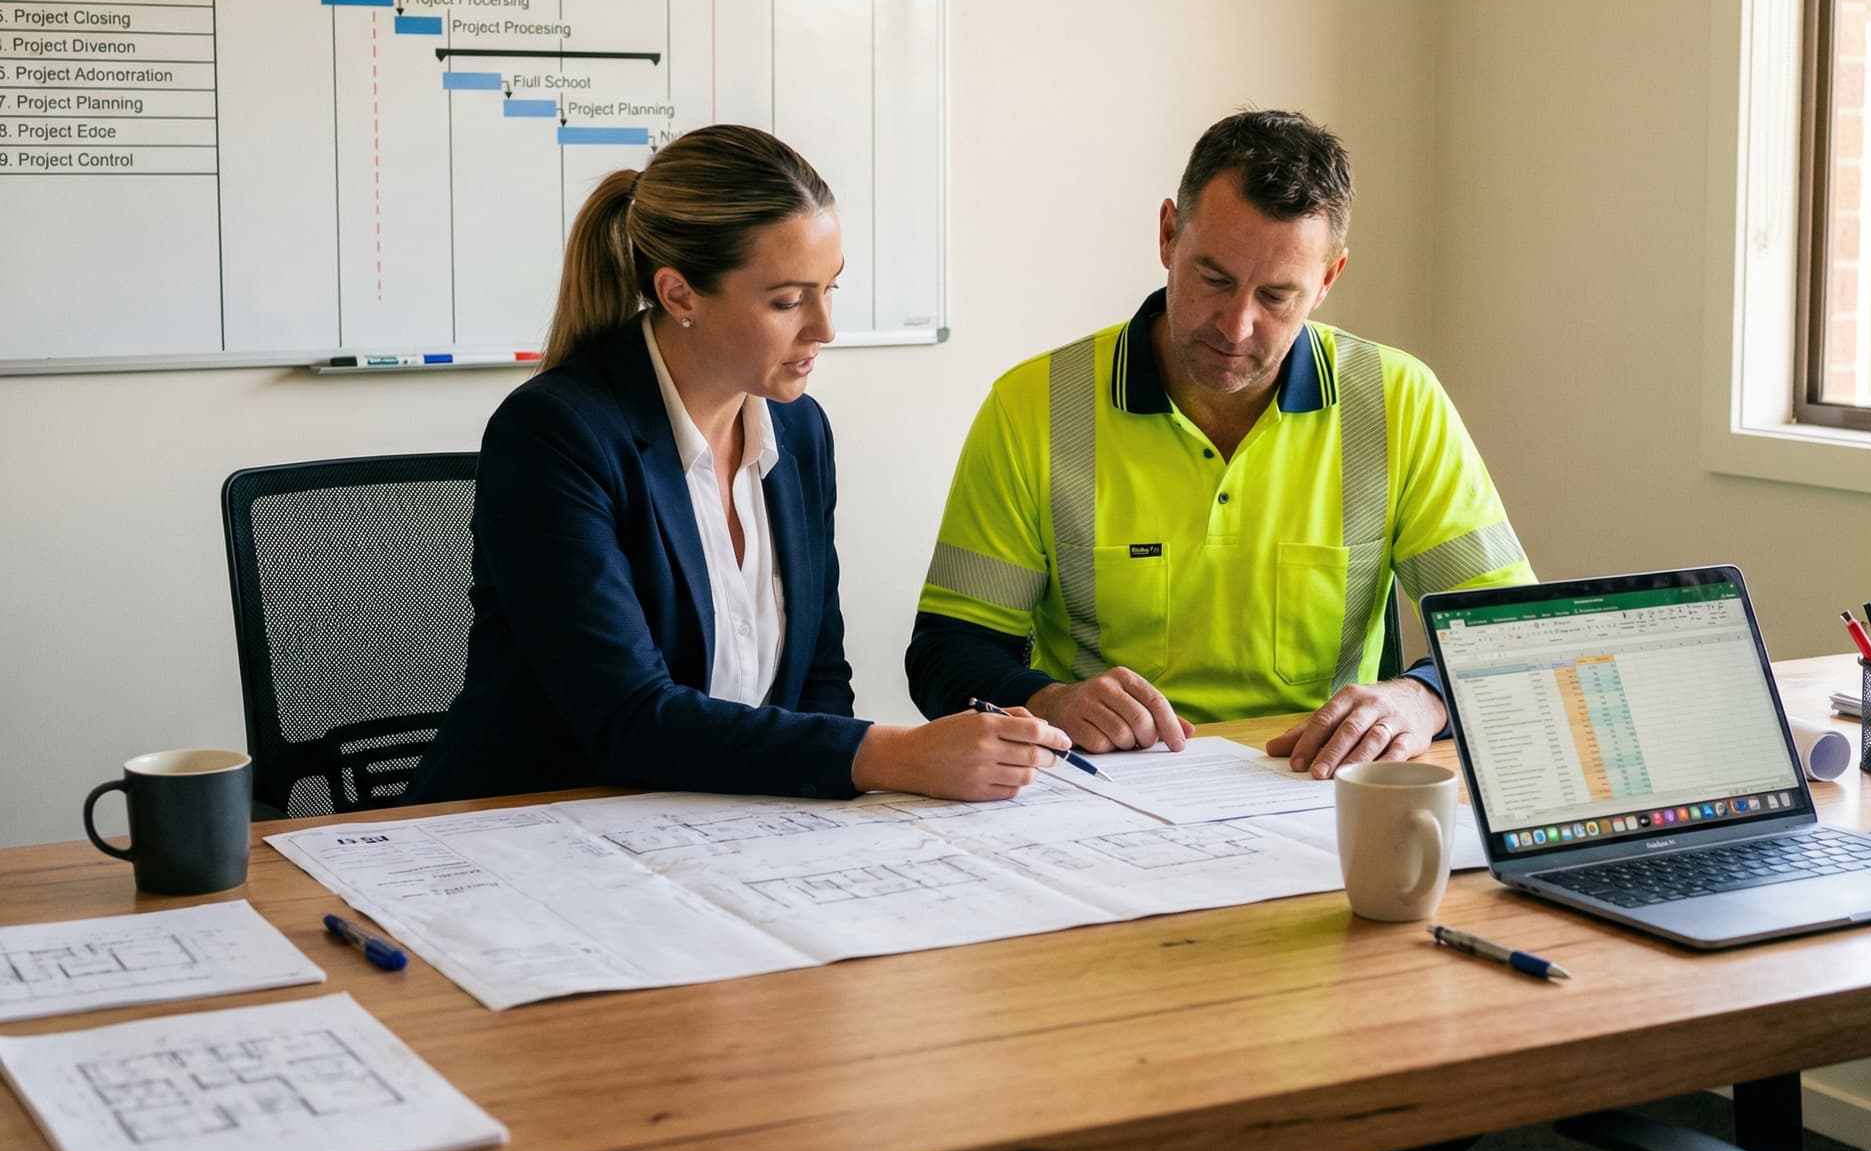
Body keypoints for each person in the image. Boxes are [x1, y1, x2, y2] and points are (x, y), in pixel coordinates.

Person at [410, 124, 1069, 805]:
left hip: (720, 828)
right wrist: (895, 756)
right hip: (531, 824)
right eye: (787, 301)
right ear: (679, 295)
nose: (824, 328)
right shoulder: (556, 434)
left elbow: (818, 679)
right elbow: (628, 718)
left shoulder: (799, 431)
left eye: (830, 288)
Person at [905, 109, 1535, 777]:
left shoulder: (1397, 402)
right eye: (1214, 279)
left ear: (1327, 280)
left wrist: (1421, 699)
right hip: (1101, 794)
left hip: (1320, 793)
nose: (1236, 326)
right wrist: (1050, 701)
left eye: (1276, 296)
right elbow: (946, 654)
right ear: (1169, 235)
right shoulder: (1033, 407)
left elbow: (1507, 631)